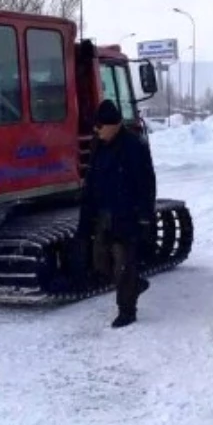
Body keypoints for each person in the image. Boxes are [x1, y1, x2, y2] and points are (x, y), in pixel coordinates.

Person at [77, 99, 157, 328]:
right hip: (104, 214)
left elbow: (146, 184)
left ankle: (127, 311)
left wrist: (144, 216)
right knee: (100, 262)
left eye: (100, 126)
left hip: (127, 215)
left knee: (123, 264)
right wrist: (86, 218)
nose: (96, 130)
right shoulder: (98, 146)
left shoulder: (134, 147)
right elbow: (91, 181)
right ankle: (135, 284)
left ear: (113, 125)